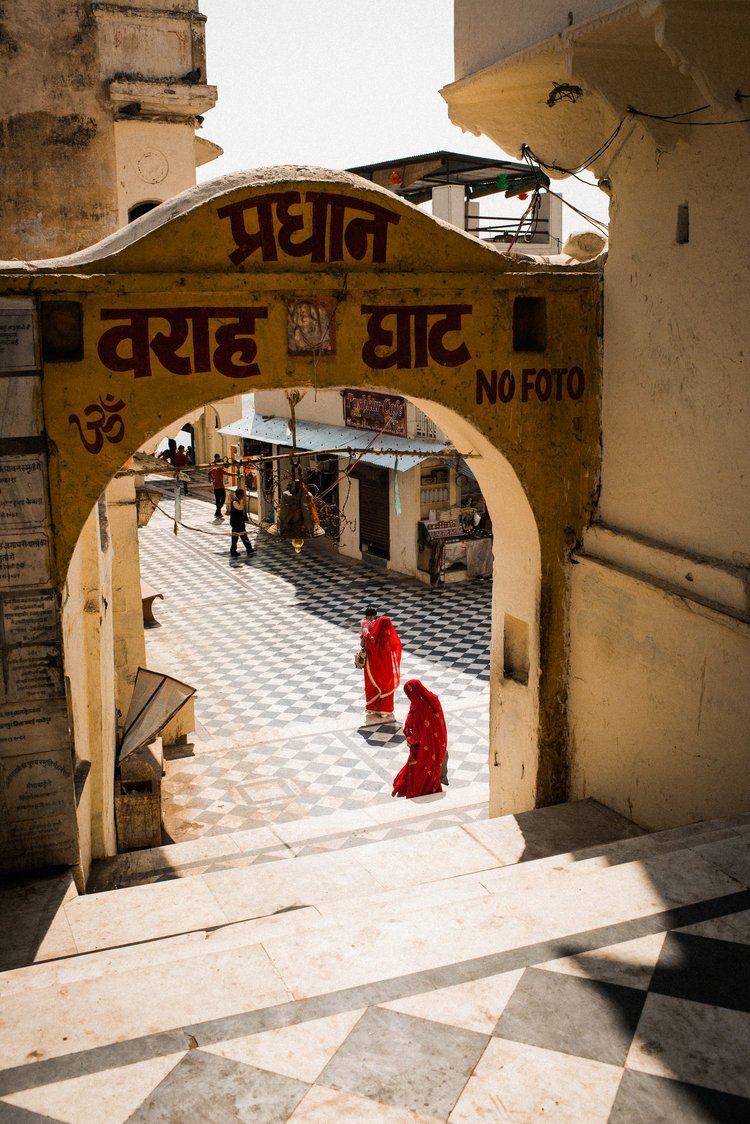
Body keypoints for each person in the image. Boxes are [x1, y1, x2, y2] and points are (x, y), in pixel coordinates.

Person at [392, 680, 448, 798]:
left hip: (424, 746)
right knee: (431, 768)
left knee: (421, 770)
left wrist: (409, 740)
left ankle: (419, 792)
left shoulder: (419, 709)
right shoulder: (431, 699)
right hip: (438, 742)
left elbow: (418, 735)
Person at [362, 608, 402, 717]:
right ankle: (385, 709)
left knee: (373, 685)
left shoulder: (374, 638)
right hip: (386, 667)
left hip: (373, 667)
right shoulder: (388, 638)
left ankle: (372, 708)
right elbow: (396, 647)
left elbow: (367, 637)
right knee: (386, 685)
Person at [229, 487, 255, 557]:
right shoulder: (235, 502)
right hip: (235, 523)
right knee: (235, 537)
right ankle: (233, 551)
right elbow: (240, 508)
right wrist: (242, 501)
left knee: (244, 535)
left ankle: (249, 549)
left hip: (240, 522)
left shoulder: (239, 500)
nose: (243, 496)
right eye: (242, 494)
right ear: (238, 495)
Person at [208, 453, 227, 519]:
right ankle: (218, 511)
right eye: (217, 458)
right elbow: (209, 472)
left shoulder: (220, 462)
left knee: (222, 499)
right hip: (216, 485)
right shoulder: (213, 464)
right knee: (218, 499)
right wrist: (212, 479)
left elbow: (223, 468)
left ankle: (217, 511)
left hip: (221, 484)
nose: (218, 459)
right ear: (215, 458)